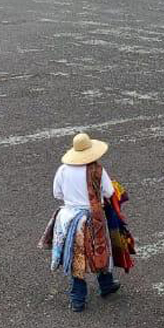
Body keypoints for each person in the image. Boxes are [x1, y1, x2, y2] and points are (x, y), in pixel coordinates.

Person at [46, 133, 123, 312]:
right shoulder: (97, 170)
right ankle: (106, 284)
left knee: (76, 258)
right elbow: (109, 192)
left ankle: (77, 299)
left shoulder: (63, 170)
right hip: (92, 217)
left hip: (68, 218)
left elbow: (57, 193)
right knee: (100, 251)